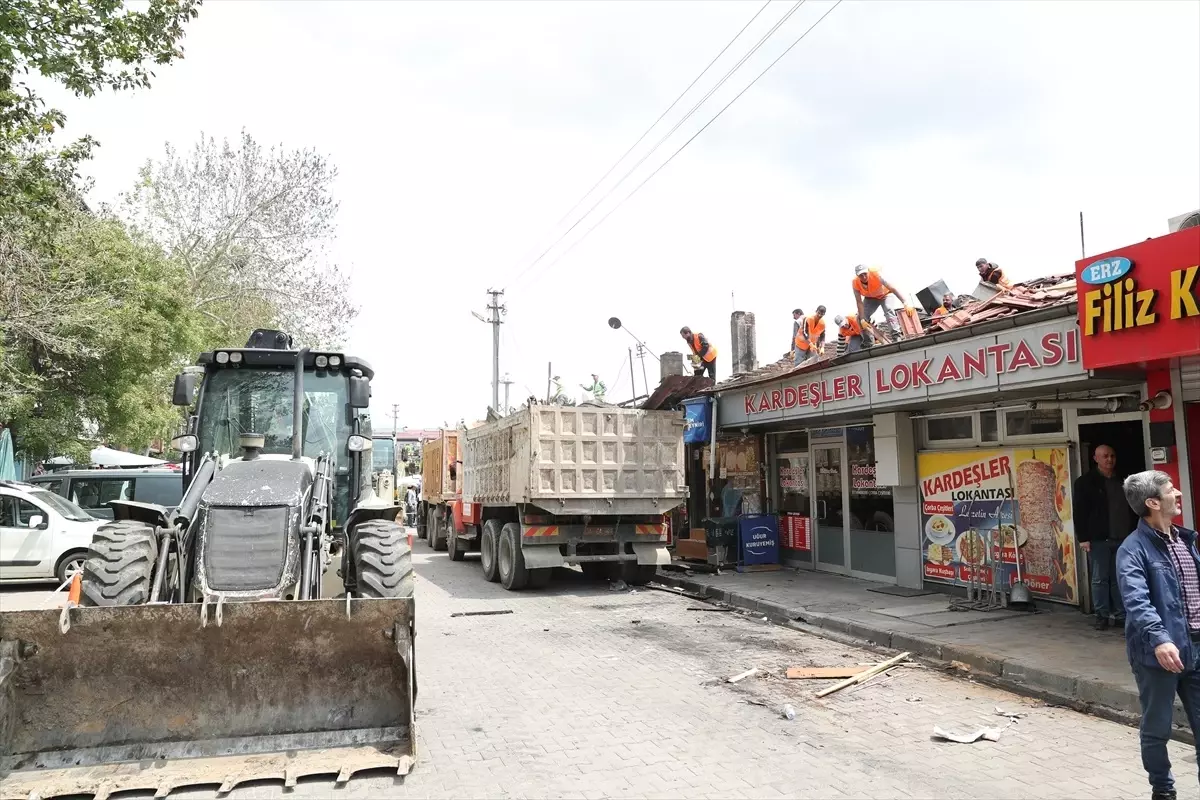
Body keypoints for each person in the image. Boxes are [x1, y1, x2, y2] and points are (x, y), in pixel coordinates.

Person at [1117, 470, 1200, 800]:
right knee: (1157, 728)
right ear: (1152, 502)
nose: (1178, 492)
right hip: (1158, 655)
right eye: (1170, 490)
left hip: (1195, 648)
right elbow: (1137, 600)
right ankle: (1163, 791)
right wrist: (1160, 639)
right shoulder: (1132, 549)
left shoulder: (1184, 540)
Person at [1075, 444, 1136, 629]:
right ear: (1096, 458)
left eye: (1112, 456)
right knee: (1100, 579)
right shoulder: (1085, 482)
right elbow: (1079, 512)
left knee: (1119, 578)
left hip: (1123, 538)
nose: (1109, 459)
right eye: (1105, 456)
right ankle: (1101, 615)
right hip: (1098, 539)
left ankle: (1120, 615)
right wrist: (1083, 538)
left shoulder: (1124, 480)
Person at [851, 264, 915, 337]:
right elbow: (859, 302)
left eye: (865, 274)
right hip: (870, 298)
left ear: (868, 272)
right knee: (859, 318)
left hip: (885, 294)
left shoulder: (876, 274)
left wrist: (905, 303)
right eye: (861, 275)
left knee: (888, 309)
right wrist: (862, 319)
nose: (864, 277)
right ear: (857, 276)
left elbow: (892, 288)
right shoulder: (855, 282)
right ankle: (868, 341)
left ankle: (896, 335)